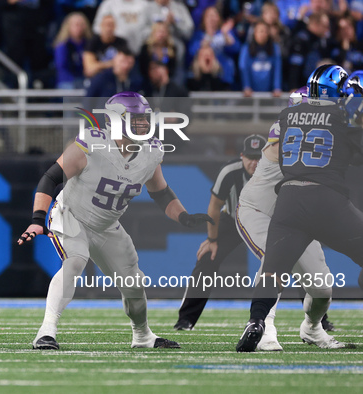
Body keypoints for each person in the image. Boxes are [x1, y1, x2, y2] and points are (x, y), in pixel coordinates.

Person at [18, 91, 213, 350]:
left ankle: (142, 336)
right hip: (71, 215)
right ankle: (46, 332)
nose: (144, 124)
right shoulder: (91, 144)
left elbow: (160, 191)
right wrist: (37, 219)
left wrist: (184, 217)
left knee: (134, 283)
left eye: (145, 119)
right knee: (74, 262)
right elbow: (51, 178)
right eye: (136, 119)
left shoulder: (151, 150)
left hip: (107, 225)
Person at [236, 64, 363, 352]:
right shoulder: (334, 119)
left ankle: (306, 328)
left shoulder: (291, 117)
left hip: (290, 207)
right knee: (273, 262)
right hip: (261, 208)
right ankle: (266, 329)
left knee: (317, 286)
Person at [173, 134, 266, 331]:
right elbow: (214, 206)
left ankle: (318, 320)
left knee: (296, 258)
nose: (254, 163)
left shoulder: (274, 171)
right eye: (250, 157)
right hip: (233, 220)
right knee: (207, 258)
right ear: (242, 156)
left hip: (266, 222)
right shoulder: (230, 171)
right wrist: (212, 239)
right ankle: (186, 320)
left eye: (259, 157)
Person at [238, 19, 282, 97]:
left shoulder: (274, 48)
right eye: (260, 31)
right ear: (254, 33)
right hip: (251, 94)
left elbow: (277, 69)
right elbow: (243, 68)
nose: (263, 34)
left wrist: (277, 87)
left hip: (269, 93)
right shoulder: (246, 48)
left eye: (265, 31)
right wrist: (247, 86)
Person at [53, 12, 92, 89]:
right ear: (68, 27)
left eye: (81, 25)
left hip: (85, 79)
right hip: (67, 81)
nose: (79, 28)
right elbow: (61, 67)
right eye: (76, 25)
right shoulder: (62, 45)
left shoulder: (89, 44)